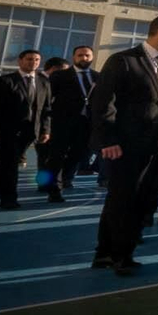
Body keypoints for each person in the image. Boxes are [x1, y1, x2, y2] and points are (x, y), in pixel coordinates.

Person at [89, 17, 158, 275]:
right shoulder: (123, 61)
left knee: (144, 197)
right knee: (123, 198)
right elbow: (103, 103)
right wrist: (108, 140)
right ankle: (119, 256)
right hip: (127, 144)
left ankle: (106, 251)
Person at [0, 49, 50, 210]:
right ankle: (9, 199)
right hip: (7, 131)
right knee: (10, 166)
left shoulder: (43, 82)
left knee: (5, 165)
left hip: (30, 132)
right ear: (20, 61)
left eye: (37, 59)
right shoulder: (5, 81)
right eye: (29, 59)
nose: (33, 62)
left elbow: (46, 109)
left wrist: (45, 130)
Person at [44, 45, 96, 200]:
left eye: (87, 55)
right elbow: (48, 99)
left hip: (86, 124)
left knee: (79, 154)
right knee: (57, 155)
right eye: (80, 55)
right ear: (74, 57)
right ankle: (55, 189)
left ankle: (66, 177)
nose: (84, 58)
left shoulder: (98, 77)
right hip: (62, 123)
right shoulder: (60, 75)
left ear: (92, 57)